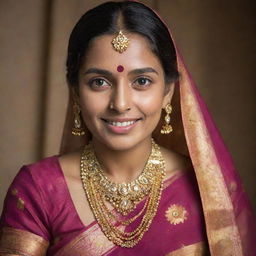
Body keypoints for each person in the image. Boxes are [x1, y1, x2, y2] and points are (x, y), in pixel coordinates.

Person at [0, 1, 255, 255]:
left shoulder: (208, 192)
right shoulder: (38, 189)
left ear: (168, 91)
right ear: (75, 92)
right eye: (99, 82)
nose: (120, 104)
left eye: (142, 81)